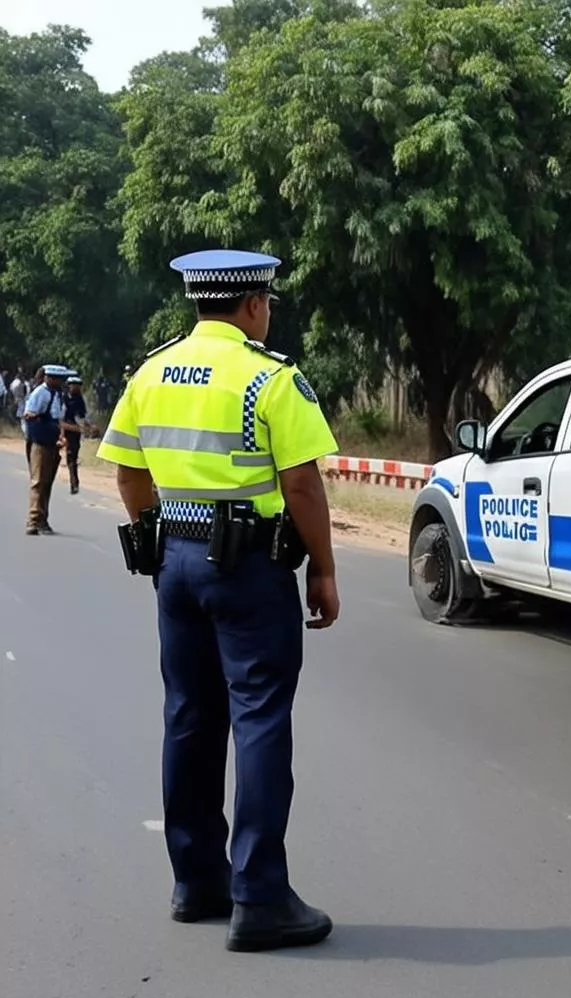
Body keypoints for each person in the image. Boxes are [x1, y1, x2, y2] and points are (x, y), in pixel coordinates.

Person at [96, 249, 341, 953]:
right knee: (259, 719)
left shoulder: (152, 372)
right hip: (249, 570)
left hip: (176, 561)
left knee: (189, 718)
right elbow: (302, 486)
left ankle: (195, 882)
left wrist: (156, 537)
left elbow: (128, 471)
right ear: (254, 305)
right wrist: (322, 570)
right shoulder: (270, 378)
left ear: (198, 300)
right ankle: (260, 897)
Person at [23, 364, 70, 536]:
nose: (60, 382)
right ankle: (33, 520)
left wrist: (60, 435)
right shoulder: (40, 393)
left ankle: (43, 519)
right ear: (48, 378)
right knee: (38, 481)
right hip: (39, 443)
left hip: (52, 443)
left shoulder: (57, 395)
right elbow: (29, 415)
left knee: (47, 482)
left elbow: (58, 419)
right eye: (58, 379)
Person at [62, 374, 93, 494]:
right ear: (69, 386)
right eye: (74, 385)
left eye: (78, 386)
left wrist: (88, 426)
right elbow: (60, 419)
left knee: (72, 458)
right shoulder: (63, 399)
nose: (76, 388)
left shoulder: (80, 400)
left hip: (74, 433)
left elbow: (83, 416)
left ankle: (74, 483)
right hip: (63, 430)